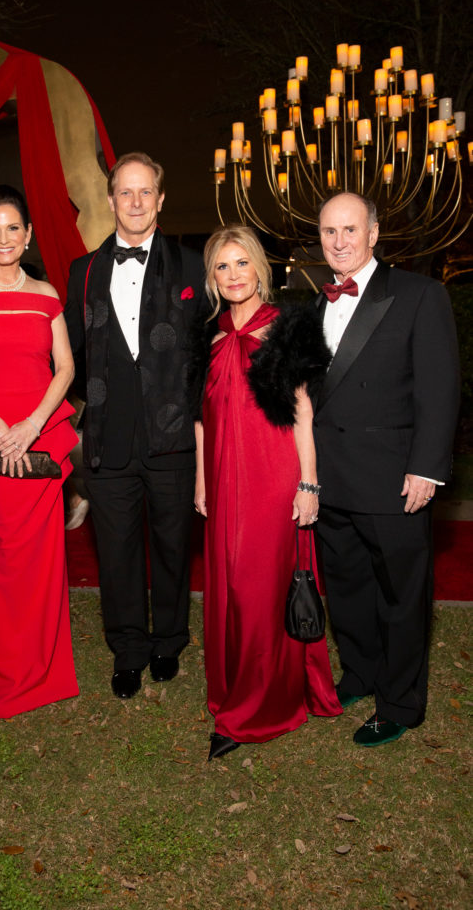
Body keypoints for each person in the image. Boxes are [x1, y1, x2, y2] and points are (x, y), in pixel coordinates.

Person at [313, 192, 460, 746]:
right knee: (347, 588)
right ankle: (361, 672)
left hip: (394, 478)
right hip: (330, 478)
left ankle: (401, 702)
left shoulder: (420, 295)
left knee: (402, 596)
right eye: (330, 231)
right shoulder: (314, 304)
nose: (340, 241)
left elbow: (440, 390)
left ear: (374, 233)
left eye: (351, 229)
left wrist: (427, 468)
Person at [65, 152, 209, 699]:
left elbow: (208, 349)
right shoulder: (84, 271)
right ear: (110, 201)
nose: (135, 202)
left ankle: (169, 640)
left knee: (173, 546)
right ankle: (128, 648)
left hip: (172, 437)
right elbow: (72, 354)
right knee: (117, 549)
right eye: (125, 193)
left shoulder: (193, 266)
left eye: (145, 192)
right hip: (108, 439)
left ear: (161, 199)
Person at [194, 225, 342, 760]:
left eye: (242, 264)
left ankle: (258, 707)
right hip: (222, 479)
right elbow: (202, 419)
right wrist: (201, 480)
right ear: (212, 277)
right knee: (229, 586)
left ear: (260, 267)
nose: (233, 275)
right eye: (222, 267)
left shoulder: (286, 327)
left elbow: (303, 411)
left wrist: (308, 482)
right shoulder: (207, 334)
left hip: (272, 475)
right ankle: (233, 688)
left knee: (258, 590)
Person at [0, 184, 78, 717]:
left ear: (27, 235)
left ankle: (46, 665)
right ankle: (9, 666)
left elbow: (65, 366)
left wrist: (32, 424)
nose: (4, 237)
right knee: (10, 553)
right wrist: (6, 428)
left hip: (41, 432)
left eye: (13, 228)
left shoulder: (47, 294)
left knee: (47, 555)